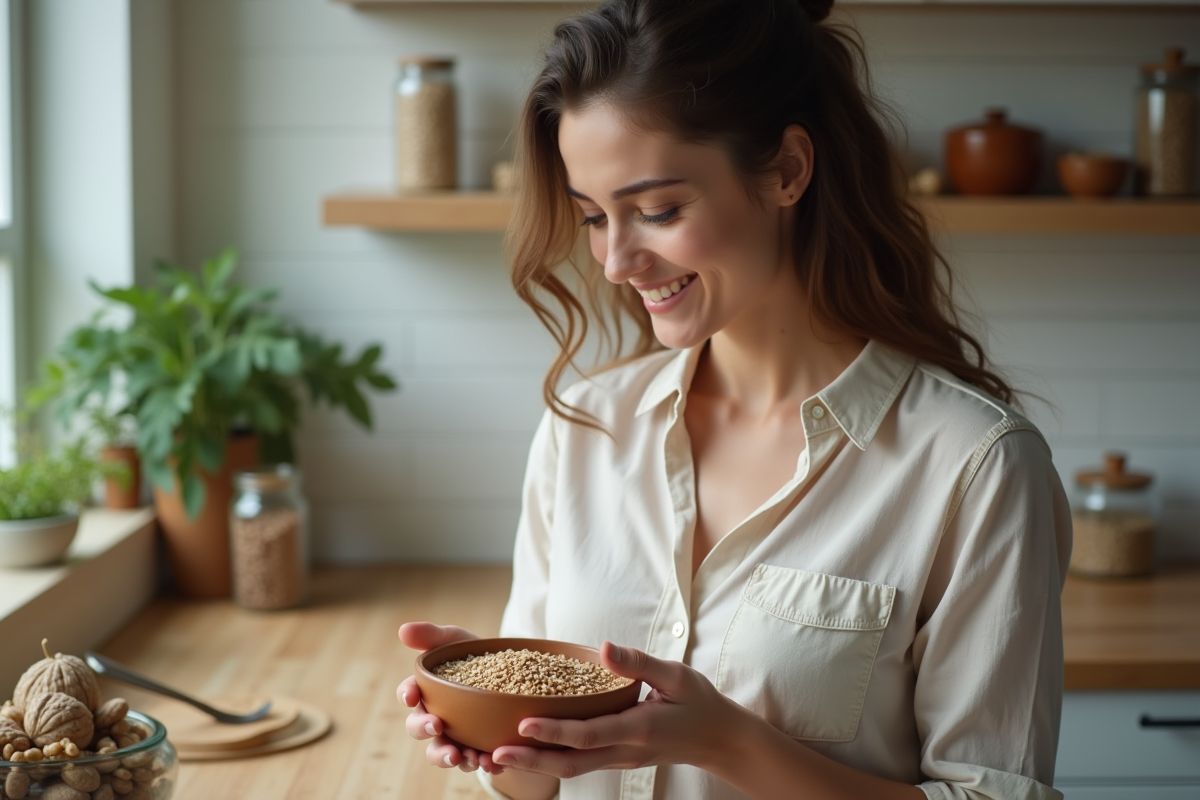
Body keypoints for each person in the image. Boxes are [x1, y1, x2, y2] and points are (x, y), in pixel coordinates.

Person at [397, 0, 1073, 798]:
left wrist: (728, 744)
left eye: (658, 210)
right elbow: (538, 787)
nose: (617, 262)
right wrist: (498, 731)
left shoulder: (976, 467)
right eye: (593, 217)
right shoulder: (585, 428)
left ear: (787, 169)